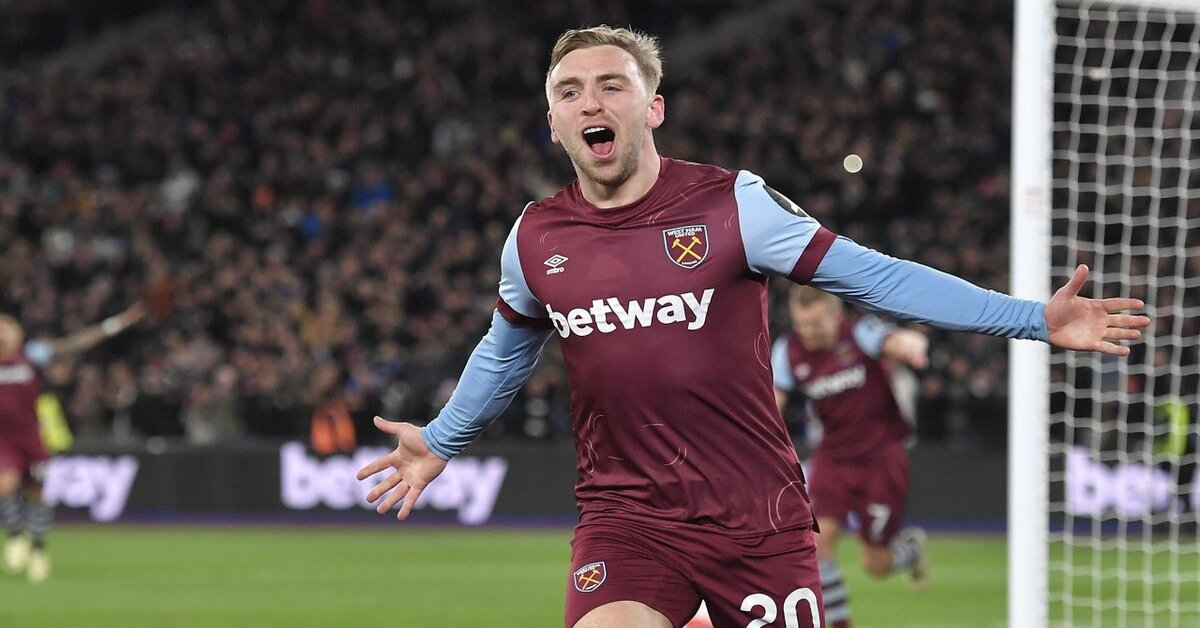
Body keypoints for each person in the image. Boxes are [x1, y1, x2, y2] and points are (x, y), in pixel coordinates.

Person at [355, 25, 1149, 628]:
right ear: (554, 123)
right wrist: (444, 436)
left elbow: (875, 277)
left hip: (757, 519)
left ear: (652, 107)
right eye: (569, 92)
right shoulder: (534, 238)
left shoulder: (733, 206)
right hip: (625, 518)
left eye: (611, 85)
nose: (590, 102)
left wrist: (1029, 319)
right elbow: (508, 347)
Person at [772, 285, 931, 628]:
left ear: (836, 316)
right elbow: (771, 405)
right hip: (832, 459)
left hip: (882, 458)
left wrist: (908, 344)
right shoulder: (787, 352)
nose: (808, 333)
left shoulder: (861, 332)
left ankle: (912, 550)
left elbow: (893, 340)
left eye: (816, 325)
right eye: (802, 325)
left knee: (876, 565)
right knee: (817, 546)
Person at [0, 303, 145, 582]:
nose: (2, 334)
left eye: (6, 328)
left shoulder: (31, 356)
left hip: (32, 438)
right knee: (5, 486)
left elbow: (75, 344)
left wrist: (116, 323)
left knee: (37, 495)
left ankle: (38, 548)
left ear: (18, 333)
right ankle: (16, 535)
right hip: (3, 440)